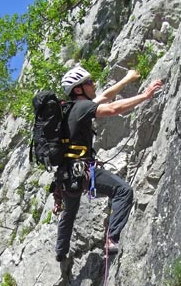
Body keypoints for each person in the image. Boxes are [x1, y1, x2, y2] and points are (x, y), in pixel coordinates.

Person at [55, 65, 163, 261]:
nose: (93, 84)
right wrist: (145, 96)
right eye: (88, 82)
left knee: (69, 213)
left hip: (66, 176)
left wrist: (127, 79)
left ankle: (60, 252)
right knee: (123, 191)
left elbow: (105, 96)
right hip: (83, 171)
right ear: (78, 89)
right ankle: (112, 239)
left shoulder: (69, 110)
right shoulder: (82, 107)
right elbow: (113, 108)